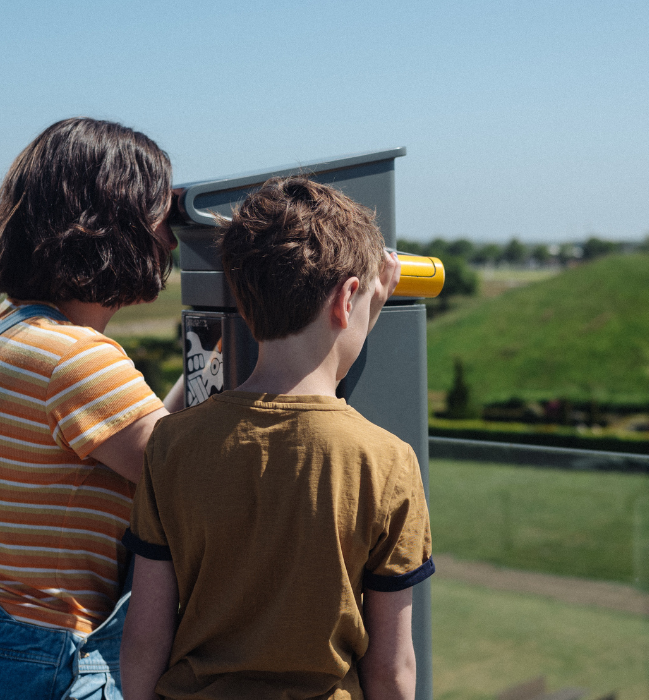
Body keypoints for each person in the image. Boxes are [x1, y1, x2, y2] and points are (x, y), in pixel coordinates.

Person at [120, 177, 432, 700]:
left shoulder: (171, 446)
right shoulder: (387, 462)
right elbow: (392, 667)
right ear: (349, 296)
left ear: (243, 304)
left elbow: (144, 638)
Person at [0, 117, 183, 700]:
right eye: (162, 215)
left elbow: (148, 444)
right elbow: (204, 486)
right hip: (47, 677)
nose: (172, 238)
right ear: (115, 223)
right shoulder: (75, 359)